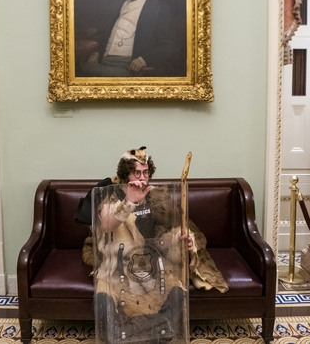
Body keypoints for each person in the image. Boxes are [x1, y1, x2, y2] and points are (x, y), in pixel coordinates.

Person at [74, 147, 227, 343]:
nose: (142, 178)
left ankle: (130, 334)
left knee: (177, 293)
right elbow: (106, 224)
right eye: (136, 172)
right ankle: (156, 330)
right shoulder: (111, 194)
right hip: (118, 268)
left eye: (145, 173)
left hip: (155, 266)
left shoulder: (159, 196)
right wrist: (129, 201)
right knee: (102, 303)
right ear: (124, 174)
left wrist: (185, 242)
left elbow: (176, 229)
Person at [77, 0, 183, 77]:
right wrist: (98, 52)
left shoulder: (158, 7)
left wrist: (143, 60)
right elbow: (110, 33)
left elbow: (171, 46)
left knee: (79, 69)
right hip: (103, 60)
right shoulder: (124, 3)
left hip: (126, 67)